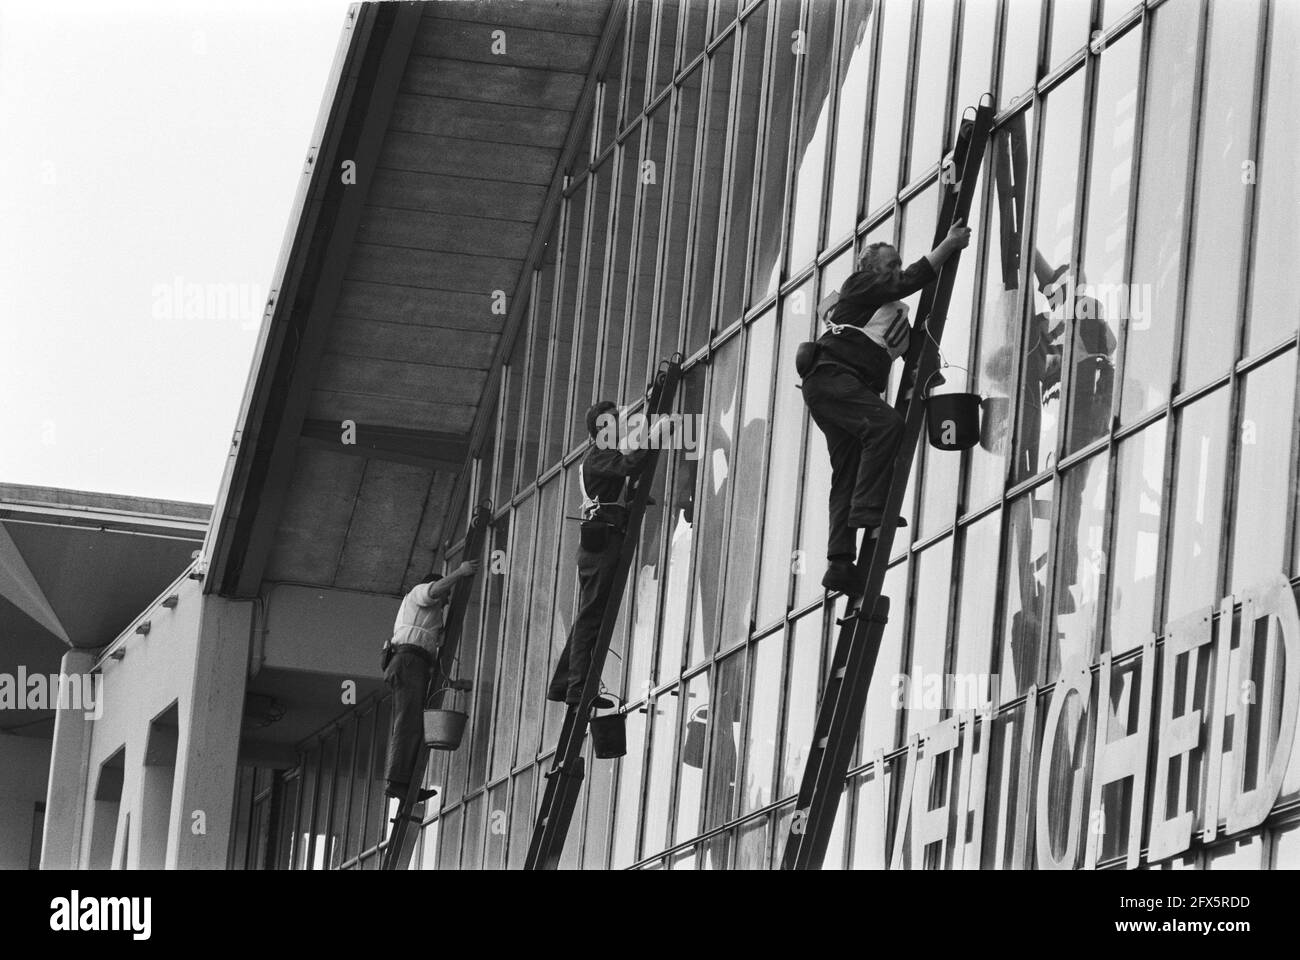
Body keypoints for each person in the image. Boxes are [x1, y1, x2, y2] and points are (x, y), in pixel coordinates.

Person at [798, 221, 972, 594]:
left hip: (838, 387)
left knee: (847, 469)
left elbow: (913, 356)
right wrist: (949, 245)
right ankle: (866, 509)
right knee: (887, 427)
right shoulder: (857, 287)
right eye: (889, 264)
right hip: (832, 378)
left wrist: (931, 377)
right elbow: (907, 281)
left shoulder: (893, 316)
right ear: (869, 270)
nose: (896, 270)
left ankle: (840, 563)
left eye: (897, 263)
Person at [548, 399, 672, 706]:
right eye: (608, 423)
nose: (615, 426)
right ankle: (575, 687)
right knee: (592, 617)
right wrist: (655, 436)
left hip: (604, 541)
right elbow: (631, 465)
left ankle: (569, 684)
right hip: (601, 544)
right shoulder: (599, 458)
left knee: (592, 616)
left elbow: (619, 482)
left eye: (616, 420)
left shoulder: (605, 456)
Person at [381, 558, 480, 800]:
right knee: (408, 723)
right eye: (446, 595)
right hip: (408, 662)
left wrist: (451, 682)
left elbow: (431, 655)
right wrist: (460, 572)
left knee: (413, 723)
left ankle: (404, 781)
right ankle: (398, 781)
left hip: (413, 663)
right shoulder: (418, 595)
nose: (446, 601)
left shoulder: (429, 620)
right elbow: (434, 591)